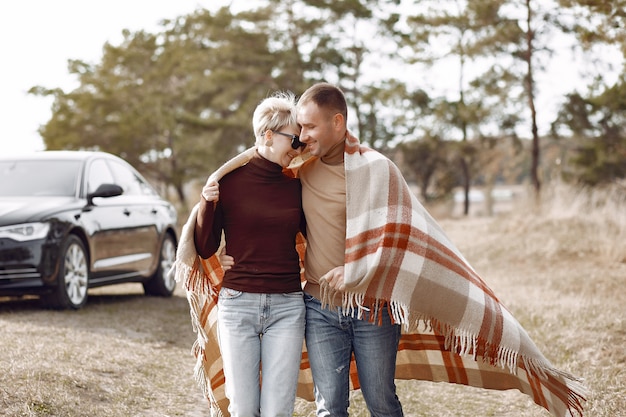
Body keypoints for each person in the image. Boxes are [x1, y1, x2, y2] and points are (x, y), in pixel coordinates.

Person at [192, 91, 307, 417]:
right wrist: (206, 203)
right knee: (243, 408)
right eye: (293, 139)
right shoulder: (227, 182)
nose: (298, 147)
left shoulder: (296, 184)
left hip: (287, 306)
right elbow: (205, 246)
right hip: (238, 304)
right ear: (268, 135)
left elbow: (316, 233)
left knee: (277, 410)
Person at [295, 83, 403, 417]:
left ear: (338, 123)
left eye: (310, 126)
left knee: (381, 403)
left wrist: (355, 270)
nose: (302, 135)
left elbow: (401, 239)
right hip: (319, 306)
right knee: (329, 408)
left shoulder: (377, 169)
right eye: (299, 127)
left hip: (373, 306)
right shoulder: (298, 169)